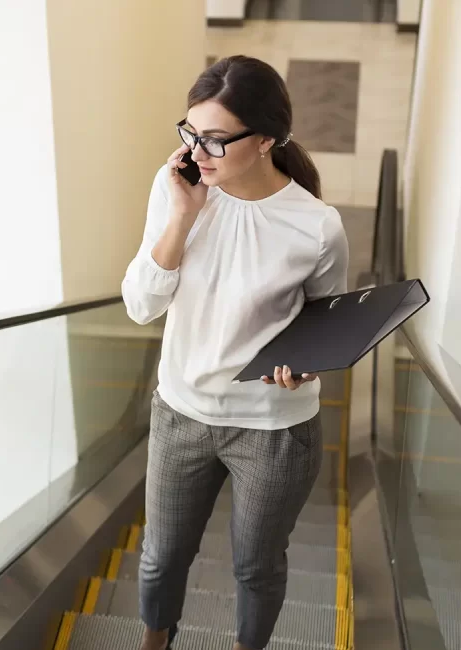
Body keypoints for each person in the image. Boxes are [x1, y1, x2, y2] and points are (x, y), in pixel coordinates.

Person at [121, 55, 349, 650]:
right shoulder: (178, 188)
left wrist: (304, 368)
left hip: (273, 430)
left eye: (217, 141)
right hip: (181, 413)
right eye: (191, 134)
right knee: (161, 557)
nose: (198, 153)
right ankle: (155, 641)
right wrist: (181, 217)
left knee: (257, 567)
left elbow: (326, 326)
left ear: (268, 138)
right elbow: (142, 306)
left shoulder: (317, 226)